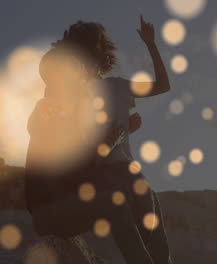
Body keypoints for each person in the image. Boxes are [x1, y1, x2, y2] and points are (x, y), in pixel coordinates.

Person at [24, 16, 173, 264]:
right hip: (49, 212)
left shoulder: (70, 112)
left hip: (65, 203)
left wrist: (114, 138)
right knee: (116, 202)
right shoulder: (48, 110)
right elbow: (75, 161)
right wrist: (108, 142)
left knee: (142, 197)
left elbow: (81, 160)